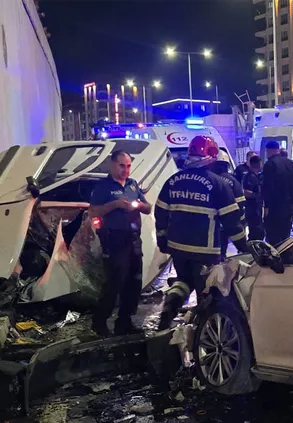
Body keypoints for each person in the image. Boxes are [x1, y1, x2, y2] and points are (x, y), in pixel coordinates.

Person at [155, 136, 249, 330]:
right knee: (207, 291)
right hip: (205, 251)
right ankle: (204, 331)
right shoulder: (217, 184)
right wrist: (244, 248)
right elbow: (232, 222)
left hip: (178, 248)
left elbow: (160, 212)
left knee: (182, 282)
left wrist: (162, 239)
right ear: (212, 158)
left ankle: (167, 314)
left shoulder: (173, 181)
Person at [89, 150, 152, 336]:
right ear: (113, 164)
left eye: (129, 166)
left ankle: (124, 322)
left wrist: (139, 205)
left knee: (134, 283)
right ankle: (99, 322)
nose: (126, 170)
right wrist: (115, 205)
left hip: (134, 240)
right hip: (114, 240)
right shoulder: (103, 187)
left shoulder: (133, 185)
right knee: (114, 283)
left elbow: (148, 208)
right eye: (122, 166)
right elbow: (93, 212)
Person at [262, 140, 293, 246]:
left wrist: (266, 206)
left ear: (269, 151)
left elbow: (268, 187)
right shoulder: (290, 163)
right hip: (290, 206)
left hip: (275, 207)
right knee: (285, 234)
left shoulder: (269, 165)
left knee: (273, 235)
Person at [211, 151, 246, 258]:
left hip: (212, 226)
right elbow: (240, 205)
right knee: (222, 251)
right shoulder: (234, 182)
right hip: (228, 224)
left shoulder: (210, 180)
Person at [243, 154, 265, 241]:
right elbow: (247, 193)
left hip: (257, 208)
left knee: (259, 231)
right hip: (252, 209)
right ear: (258, 164)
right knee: (255, 232)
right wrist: (259, 195)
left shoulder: (256, 176)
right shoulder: (250, 177)